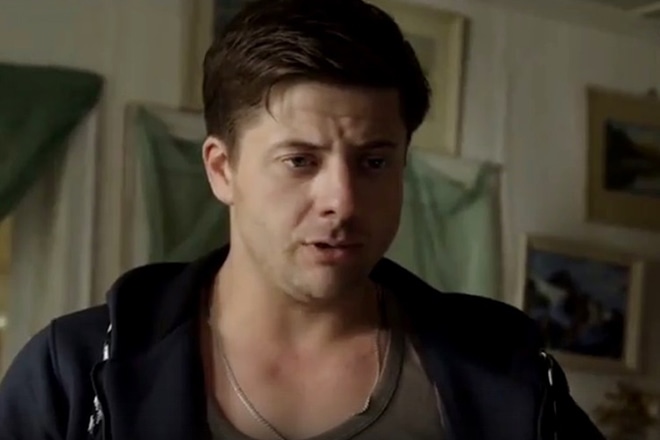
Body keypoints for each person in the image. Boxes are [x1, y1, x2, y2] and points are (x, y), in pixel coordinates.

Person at [0, 0, 606, 439]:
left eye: (374, 161)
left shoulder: (509, 376)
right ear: (222, 170)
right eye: (300, 161)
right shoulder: (76, 374)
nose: (342, 200)